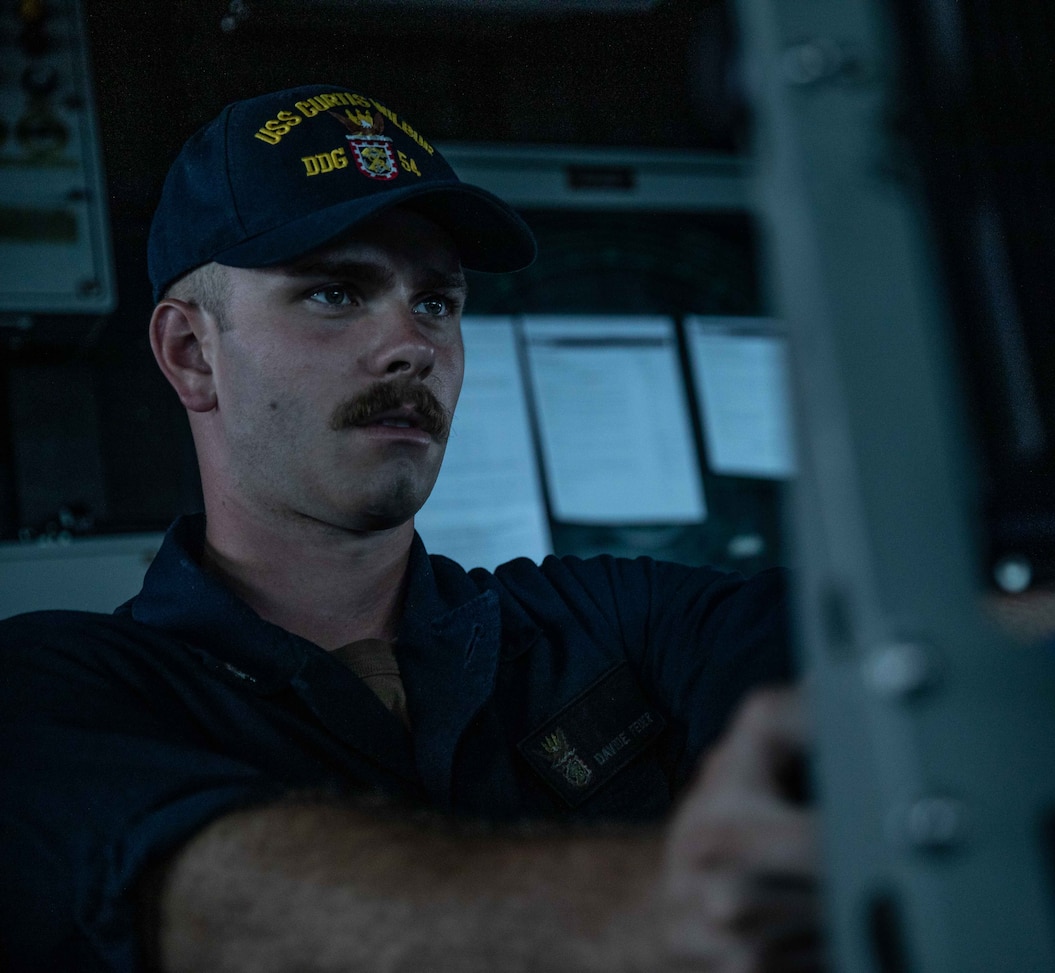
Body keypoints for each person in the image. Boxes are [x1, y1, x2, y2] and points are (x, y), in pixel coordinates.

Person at [0, 84, 820, 972]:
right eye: (334, 292)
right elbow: (229, 907)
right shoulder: (59, 695)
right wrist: (667, 906)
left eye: (436, 302)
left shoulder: (609, 621)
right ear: (193, 355)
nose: (412, 344)